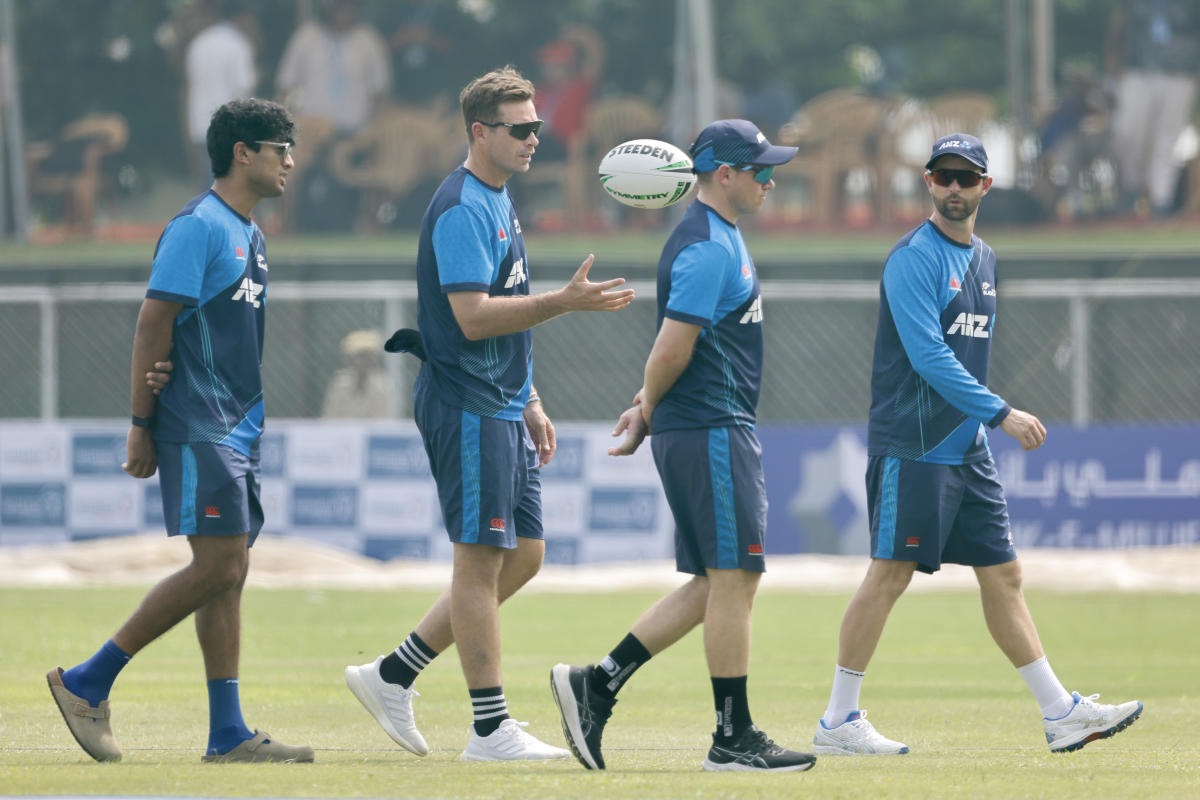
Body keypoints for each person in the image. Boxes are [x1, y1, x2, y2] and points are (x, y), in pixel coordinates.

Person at [811, 133, 1143, 756]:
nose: (955, 188)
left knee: (1005, 575)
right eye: (944, 177)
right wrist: (1001, 412)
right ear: (929, 184)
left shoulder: (985, 258)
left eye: (968, 178)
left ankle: (1059, 713)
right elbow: (929, 355)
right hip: (913, 445)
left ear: (986, 186)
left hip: (965, 449)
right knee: (888, 576)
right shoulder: (913, 257)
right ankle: (837, 722)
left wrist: (983, 425)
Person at [343, 66, 635, 762]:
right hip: (466, 401)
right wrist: (564, 303)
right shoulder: (463, 206)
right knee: (478, 566)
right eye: (521, 128)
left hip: (502, 402)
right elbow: (473, 318)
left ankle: (393, 674)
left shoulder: (499, 198)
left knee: (524, 556)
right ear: (480, 132)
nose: (536, 137)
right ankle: (489, 728)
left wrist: (530, 397)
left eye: (537, 126)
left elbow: (504, 313)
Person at [46, 98, 314, 765]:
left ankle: (228, 733)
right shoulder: (198, 226)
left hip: (236, 428)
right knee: (219, 564)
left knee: (231, 571)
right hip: (197, 424)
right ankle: (87, 680)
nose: (290, 158)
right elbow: (152, 323)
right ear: (241, 153)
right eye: (279, 145)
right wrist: (141, 424)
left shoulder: (250, 235)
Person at [549, 120, 816, 773]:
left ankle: (598, 683)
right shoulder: (706, 247)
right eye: (759, 169)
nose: (771, 179)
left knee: (715, 583)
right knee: (736, 578)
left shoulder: (719, 236)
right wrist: (646, 407)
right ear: (723, 174)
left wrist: (649, 408)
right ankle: (732, 738)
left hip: (708, 428)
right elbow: (672, 347)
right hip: (710, 429)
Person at [1106, 0, 1200, 218]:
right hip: (1137, 68)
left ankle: (1161, 201)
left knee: (1167, 140)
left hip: (1181, 70)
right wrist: (1113, 59)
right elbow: (1119, 22)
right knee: (1127, 132)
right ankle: (1132, 185)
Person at [183, 0, 257, 186]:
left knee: (210, 182)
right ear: (242, 17)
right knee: (231, 185)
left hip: (201, 124)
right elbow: (245, 88)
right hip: (229, 127)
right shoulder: (238, 44)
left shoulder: (199, 43)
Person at [321, 329, 388, 419]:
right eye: (360, 356)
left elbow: (383, 423)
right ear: (350, 360)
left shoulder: (382, 386)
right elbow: (329, 419)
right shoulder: (339, 385)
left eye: (368, 356)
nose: (364, 361)